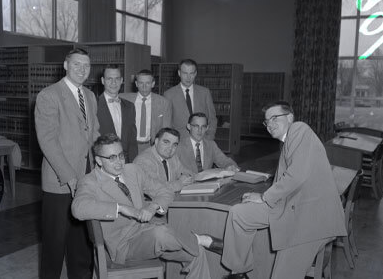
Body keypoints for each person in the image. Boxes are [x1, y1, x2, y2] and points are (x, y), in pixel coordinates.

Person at [203, 101, 347, 279]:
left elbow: (297, 175)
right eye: (266, 121)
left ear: (290, 117)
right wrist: (264, 196)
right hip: (292, 207)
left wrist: (264, 197)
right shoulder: (287, 142)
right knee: (239, 213)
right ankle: (239, 270)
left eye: (274, 118)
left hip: (308, 219)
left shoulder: (299, 129)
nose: (269, 124)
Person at [71, 133, 212, 279]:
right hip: (124, 245)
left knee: (196, 252)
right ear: (99, 161)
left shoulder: (132, 170)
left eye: (121, 155)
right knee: (163, 233)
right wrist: (120, 208)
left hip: (147, 232)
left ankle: (195, 242)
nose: (119, 162)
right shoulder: (89, 181)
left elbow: (164, 191)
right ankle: (197, 238)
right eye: (112, 158)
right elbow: (78, 208)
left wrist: (153, 207)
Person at [34, 48, 99, 279]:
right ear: (65, 65)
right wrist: (70, 176)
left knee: (81, 242)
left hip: (87, 179)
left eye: (86, 66)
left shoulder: (90, 96)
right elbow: (48, 141)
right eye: (77, 65)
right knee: (54, 243)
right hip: (60, 182)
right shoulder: (49, 95)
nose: (82, 70)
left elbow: (94, 134)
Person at [119, 69, 171, 153]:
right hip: (129, 145)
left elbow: (166, 129)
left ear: (153, 84)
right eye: (141, 83)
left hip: (151, 146)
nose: (144, 87)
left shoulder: (163, 103)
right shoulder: (124, 99)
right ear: (136, 84)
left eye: (147, 83)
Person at [164, 59, 217, 140]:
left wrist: (210, 137)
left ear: (195, 74)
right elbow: (167, 123)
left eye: (191, 73)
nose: (188, 77)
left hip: (203, 140)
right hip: (180, 142)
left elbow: (212, 119)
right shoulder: (169, 94)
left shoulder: (205, 92)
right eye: (185, 73)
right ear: (179, 73)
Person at [97, 65, 138, 162]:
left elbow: (132, 141)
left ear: (121, 80)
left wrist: (133, 164)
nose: (113, 82)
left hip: (126, 162)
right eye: (109, 79)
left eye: (117, 79)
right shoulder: (93, 105)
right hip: (104, 162)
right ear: (103, 80)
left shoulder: (130, 106)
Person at [134, 128, 194, 192]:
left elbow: (188, 173)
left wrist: (188, 177)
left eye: (174, 145)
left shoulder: (172, 157)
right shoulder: (144, 161)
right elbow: (154, 189)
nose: (170, 148)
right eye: (166, 142)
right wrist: (180, 183)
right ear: (156, 141)